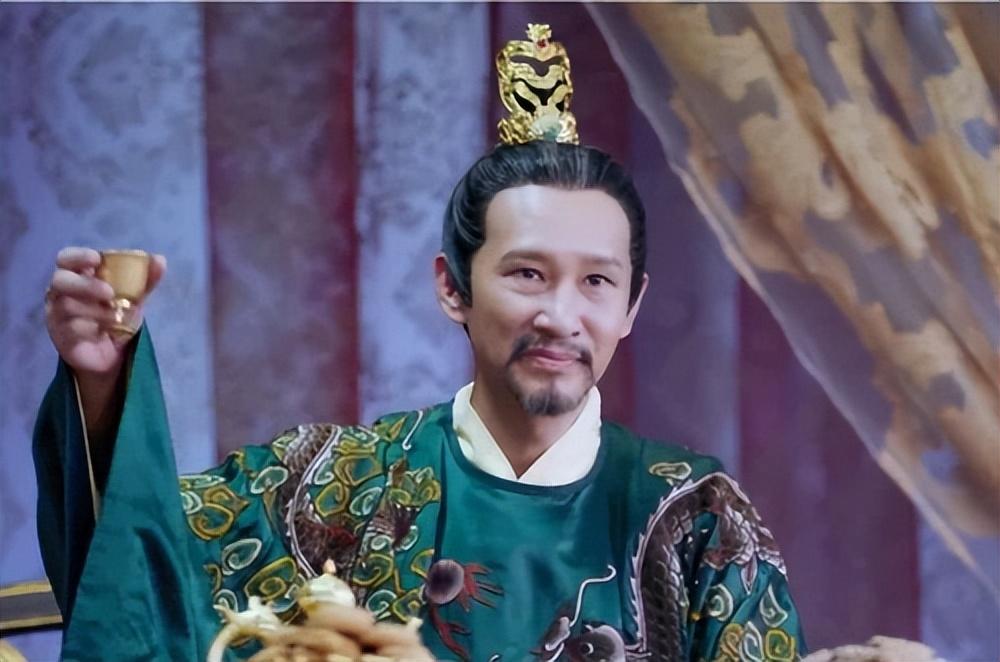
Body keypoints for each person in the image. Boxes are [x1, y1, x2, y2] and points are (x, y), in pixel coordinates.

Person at [34, 24, 804, 662]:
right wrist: (103, 385)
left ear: (632, 305)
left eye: (596, 282)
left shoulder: (695, 517)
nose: (561, 315)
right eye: (528, 274)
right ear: (452, 287)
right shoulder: (330, 489)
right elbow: (142, 581)